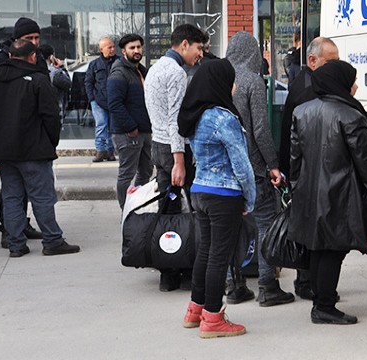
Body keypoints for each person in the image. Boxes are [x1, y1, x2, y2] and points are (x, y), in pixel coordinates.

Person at [289, 60, 367, 325]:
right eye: (352, 80)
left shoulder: (301, 111)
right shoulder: (352, 115)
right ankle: (324, 305)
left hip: (309, 192)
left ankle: (321, 300)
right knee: (334, 249)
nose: (355, 86)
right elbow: (366, 164)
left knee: (319, 246)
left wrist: (296, 189)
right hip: (340, 194)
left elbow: (295, 159)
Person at [0, 39, 81, 258]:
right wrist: (50, 142)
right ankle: (52, 240)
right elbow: (51, 116)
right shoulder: (38, 80)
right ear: (33, 57)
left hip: (4, 152)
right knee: (42, 196)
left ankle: (16, 244)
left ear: (9, 56)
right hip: (34, 150)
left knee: (12, 196)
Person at [178, 59, 255, 338]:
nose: (234, 86)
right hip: (224, 194)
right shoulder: (223, 117)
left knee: (206, 253)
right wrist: (250, 198)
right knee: (219, 258)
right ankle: (213, 319)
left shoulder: (196, 114)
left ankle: (195, 311)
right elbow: (242, 165)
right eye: (231, 80)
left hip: (200, 190)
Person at [224, 31, 295, 307]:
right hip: (253, 167)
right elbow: (261, 131)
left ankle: (234, 285)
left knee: (231, 226)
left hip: (226, 169)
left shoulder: (222, 78)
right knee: (266, 222)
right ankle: (267, 285)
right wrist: (273, 164)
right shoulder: (253, 81)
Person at [144, 24, 207, 292]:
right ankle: (192, 266)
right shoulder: (177, 72)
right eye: (198, 47)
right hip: (174, 149)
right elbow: (175, 121)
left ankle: (167, 271)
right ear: (184, 44)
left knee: (168, 208)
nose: (200, 54)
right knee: (193, 208)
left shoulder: (155, 68)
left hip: (157, 146)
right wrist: (180, 161)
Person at [280, 36, 339, 300]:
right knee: (311, 229)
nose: (336, 68)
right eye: (331, 62)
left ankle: (310, 281)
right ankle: (308, 283)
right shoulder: (309, 89)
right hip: (308, 170)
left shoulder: (308, 82)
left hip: (306, 169)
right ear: (313, 61)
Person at [0, 17, 45, 249]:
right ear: (17, 39)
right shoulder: (1, 59)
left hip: (30, 136)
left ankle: (20, 224)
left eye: (37, 37)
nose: (35, 42)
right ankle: (8, 229)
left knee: (24, 187)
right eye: (29, 38)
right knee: (11, 188)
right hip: (8, 136)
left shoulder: (36, 57)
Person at [107, 34, 153, 210]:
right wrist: (130, 127)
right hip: (128, 133)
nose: (136, 50)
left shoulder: (140, 70)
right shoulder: (119, 72)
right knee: (127, 174)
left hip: (144, 130)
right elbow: (114, 104)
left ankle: (137, 206)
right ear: (123, 51)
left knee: (146, 171)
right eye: (132, 48)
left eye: (139, 47)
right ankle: (125, 210)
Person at [86, 37, 119, 162]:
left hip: (115, 100)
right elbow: (88, 82)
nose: (112, 49)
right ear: (101, 49)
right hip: (99, 101)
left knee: (112, 126)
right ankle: (100, 150)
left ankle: (110, 151)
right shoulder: (94, 65)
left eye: (113, 46)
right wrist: (92, 99)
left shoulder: (119, 62)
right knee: (101, 125)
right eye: (109, 47)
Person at [39, 44, 71, 125]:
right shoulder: (55, 73)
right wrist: (62, 67)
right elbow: (68, 83)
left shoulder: (36, 70)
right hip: (55, 110)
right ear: (51, 57)